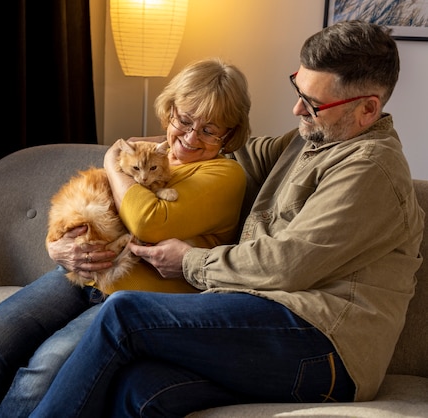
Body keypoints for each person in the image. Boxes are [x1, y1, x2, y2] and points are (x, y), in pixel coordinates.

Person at [30, 20, 425, 418]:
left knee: (125, 314)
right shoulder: (309, 140)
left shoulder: (371, 169)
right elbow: (221, 150)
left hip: (324, 346)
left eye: (313, 103)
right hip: (266, 319)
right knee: (140, 389)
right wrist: (123, 157)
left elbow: (286, 265)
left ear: (367, 108)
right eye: (298, 89)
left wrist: (188, 262)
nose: (296, 109)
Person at [0, 57, 252, 418]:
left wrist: (110, 159)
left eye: (209, 130)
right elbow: (86, 201)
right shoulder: (153, 154)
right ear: (170, 111)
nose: (189, 137)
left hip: (134, 300)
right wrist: (55, 246)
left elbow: (146, 221)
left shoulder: (225, 174)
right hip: (82, 276)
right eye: (184, 120)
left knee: (44, 368)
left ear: (229, 134)